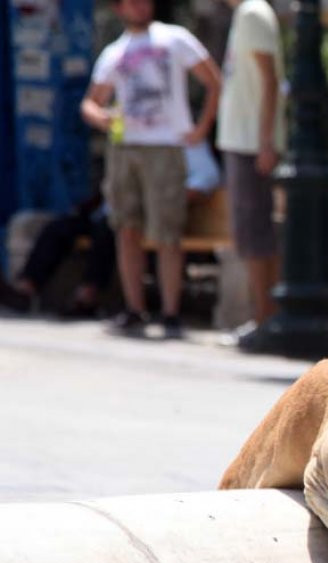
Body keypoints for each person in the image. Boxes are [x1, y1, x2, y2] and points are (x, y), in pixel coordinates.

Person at [81, 0, 221, 339]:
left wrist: (202, 128)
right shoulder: (115, 51)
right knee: (126, 228)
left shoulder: (175, 38)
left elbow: (214, 81)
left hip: (166, 146)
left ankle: (171, 313)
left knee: (166, 232)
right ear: (119, 9)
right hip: (125, 147)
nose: (140, 6)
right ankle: (135, 309)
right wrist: (100, 117)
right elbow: (90, 102)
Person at [0, 144, 222, 319]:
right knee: (61, 226)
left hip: (146, 218)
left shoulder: (177, 137)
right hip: (113, 209)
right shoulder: (124, 137)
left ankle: (89, 295)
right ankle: (25, 289)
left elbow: (206, 178)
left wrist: (163, 202)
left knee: (111, 229)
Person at [218, 0, 285, 336]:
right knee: (251, 232)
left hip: (250, 143)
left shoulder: (253, 13)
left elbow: (269, 80)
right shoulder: (247, 14)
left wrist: (265, 141)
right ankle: (263, 316)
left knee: (255, 232)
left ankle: (264, 318)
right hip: (243, 140)